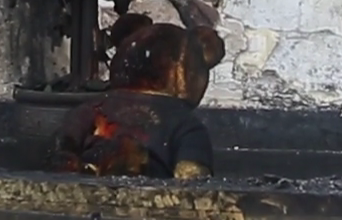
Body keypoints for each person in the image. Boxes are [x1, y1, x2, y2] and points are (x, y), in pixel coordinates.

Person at [54, 12, 224, 179]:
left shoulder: (94, 108)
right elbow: (192, 176)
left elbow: (64, 145)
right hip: (151, 188)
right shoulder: (186, 124)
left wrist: (67, 158)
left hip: (89, 184)